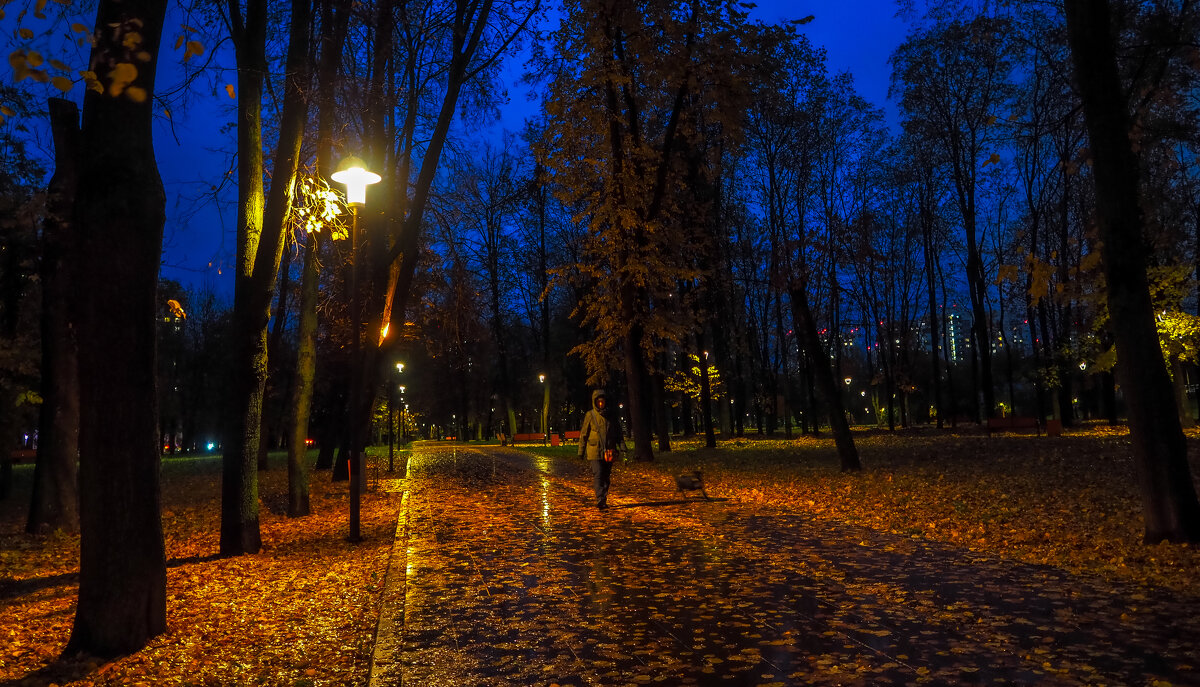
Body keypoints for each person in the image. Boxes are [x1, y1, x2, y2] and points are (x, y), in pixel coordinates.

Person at [578, 389, 624, 509]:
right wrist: (581, 452)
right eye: (598, 402)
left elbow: (618, 432)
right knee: (598, 474)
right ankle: (600, 498)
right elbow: (584, 434)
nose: (600, 404)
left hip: (609, 450)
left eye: (602, 401)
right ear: (595, 402)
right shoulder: (590, 415)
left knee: (606, 476)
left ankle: (603, 497)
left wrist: (622, 447)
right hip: (594, 451)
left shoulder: (611, 416)